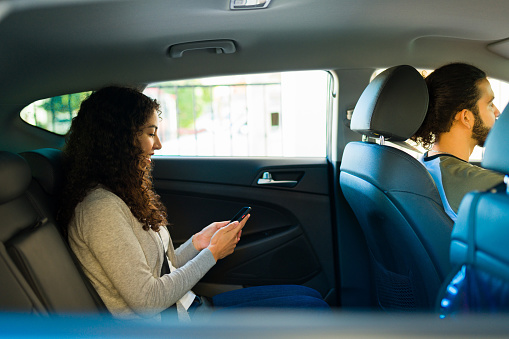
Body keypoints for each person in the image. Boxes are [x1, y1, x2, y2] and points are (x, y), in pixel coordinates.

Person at [59, 86, 328, 322]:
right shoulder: (100, 209)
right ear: (119, 139)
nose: (159, 144)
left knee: (310, 296)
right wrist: (211, 254)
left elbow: (161, 267)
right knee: (314, 310)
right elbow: (147, 300)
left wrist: (198, 242)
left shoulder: (122, 195)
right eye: (151, 133)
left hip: (189, 308)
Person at [411, 63, 504, 221]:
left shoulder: (427, 164)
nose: (497, 112)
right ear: (466, 117)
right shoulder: (473, 182)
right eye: (489, 104)